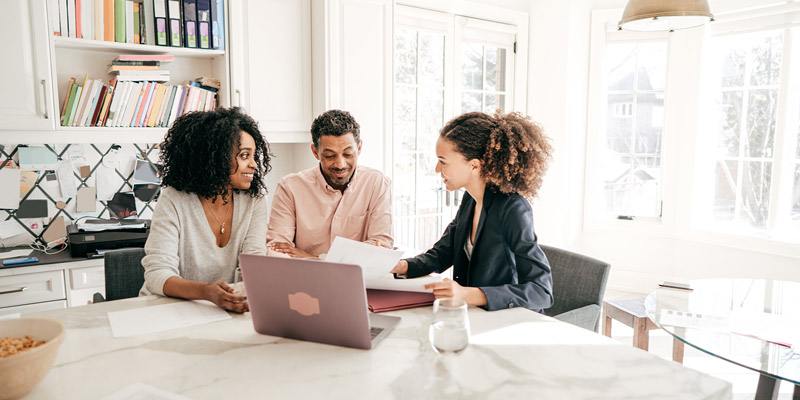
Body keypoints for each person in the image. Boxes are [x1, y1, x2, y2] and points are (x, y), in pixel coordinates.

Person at [391, 111, 554, 312]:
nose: (436, 169)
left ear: (474, 165)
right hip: (475, 316)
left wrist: (469, 295)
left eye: (443, 161)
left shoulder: (512, 208)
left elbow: (541, 291)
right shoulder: (471, 199)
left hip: (507, 320)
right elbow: (443, 254)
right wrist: (399, 266)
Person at [140, 107, 272, 313]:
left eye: (254, 156)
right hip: (168, 310)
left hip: (223, 309)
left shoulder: (254, 200)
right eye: (245, 155)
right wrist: (206, 292)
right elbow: (157, 274)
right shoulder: (174, 199)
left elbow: (253, 265)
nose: (254, 164)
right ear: (216, 157)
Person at [267, 109, 392, 258]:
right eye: (330, 156)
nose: (340, 164)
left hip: (358, 280)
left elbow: (381, 247)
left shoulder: (377, 184)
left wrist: (314, 258)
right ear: (315, 152)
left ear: (359, 148)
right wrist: (358, 253)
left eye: (348, 154)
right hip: (305, 280)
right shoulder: (289, 188)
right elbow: (277, 250)